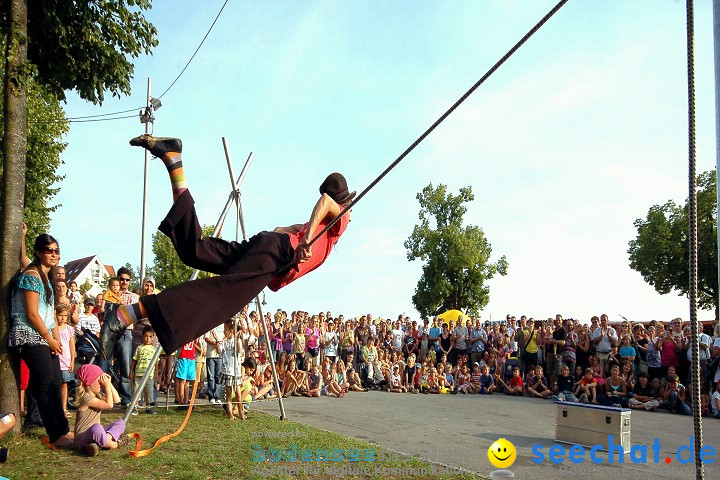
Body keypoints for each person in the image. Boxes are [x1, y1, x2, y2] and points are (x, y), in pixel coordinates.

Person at [101, 134, 355, 363]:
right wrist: (306, 243)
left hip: (268, 245)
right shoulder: (338, 221)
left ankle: (173, 160)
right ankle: (127, 314)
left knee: (195, 249)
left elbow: (279, 229)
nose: (351, 215)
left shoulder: (318, 224)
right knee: (221, 297)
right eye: (350, 207)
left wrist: (274, 247)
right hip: (278, 253)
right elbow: (325, 201)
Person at [8, 233, 74, 448]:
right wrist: (49, 338)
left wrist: (56, 340)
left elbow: (50, 315)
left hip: (45, 337)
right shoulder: (31, 276)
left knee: (55, 383)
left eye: (57, 250)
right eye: (49, 250)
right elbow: (32, 314)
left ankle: (63, 429)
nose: (54, 254)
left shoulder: (47, 276)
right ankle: (56, 434)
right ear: (39, 253)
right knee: (45, 385)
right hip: (29, 335)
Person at [73, 364, 128, 456]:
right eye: (99, 380)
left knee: (121, 422)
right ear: (89, 382)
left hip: (95, 435)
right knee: (96, 428)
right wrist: (106, 387)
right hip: (82, 437)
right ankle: (113, 444)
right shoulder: (87, 399)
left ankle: (93, 446)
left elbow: (116, 400)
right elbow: (109, 405)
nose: (101, 384)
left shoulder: (97, 395)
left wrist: (109, 384)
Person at [130, 326, 158, 415]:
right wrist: (131, 372)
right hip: (139, 374)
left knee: (148, 391)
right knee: (136, 391)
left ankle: (148, 406)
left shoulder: (154, 349)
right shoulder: (139, 348)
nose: (148, 339)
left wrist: (157, 374)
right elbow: (134, 361)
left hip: (149, 375)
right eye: (146, 336)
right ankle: (135, 407)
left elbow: (156, 363)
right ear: (142, 336)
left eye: (150, 337)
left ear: (153, 337)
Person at [55, 304, 76, 417]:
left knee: (64, 385)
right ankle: (55, 408)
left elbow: (72, 345)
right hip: (56, 360)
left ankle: (63, 408)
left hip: (66, 361)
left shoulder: (69, 329)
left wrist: (72, 361)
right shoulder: (53, 328)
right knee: (55, 385)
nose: (63, 318)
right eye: (60, 315)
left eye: (65, 315)